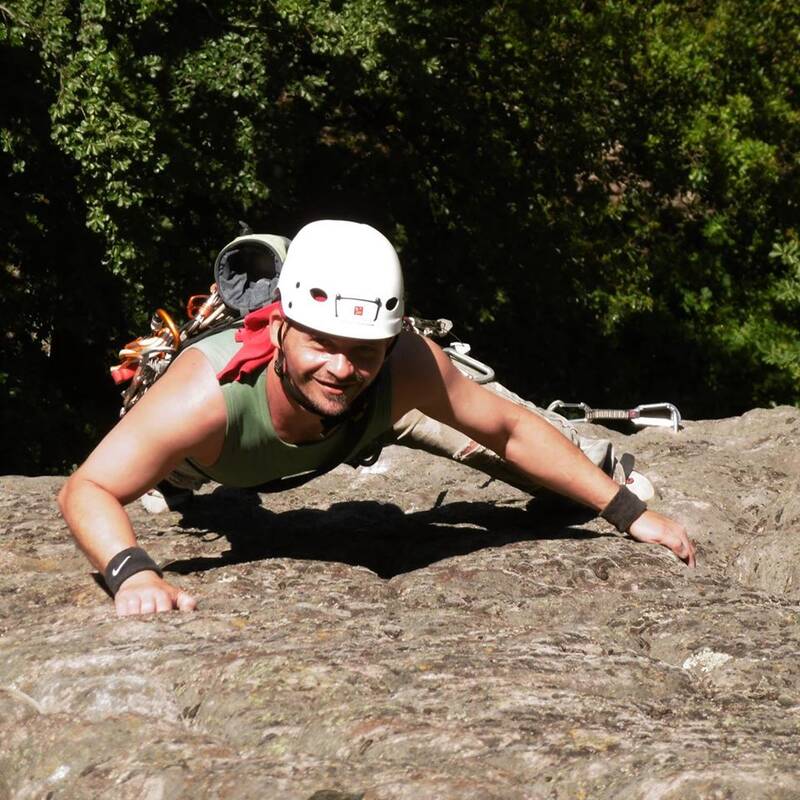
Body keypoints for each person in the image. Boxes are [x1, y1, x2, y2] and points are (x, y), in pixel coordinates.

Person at [58, 220, 695, 617]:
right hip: (213, 459)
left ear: (389, 342)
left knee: (490, 426)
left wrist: (626, 512)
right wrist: (132, 571)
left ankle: (595, 468)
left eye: (363, 349)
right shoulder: (206, 395)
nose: (341, 367)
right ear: (278, 328)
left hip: (369, 418)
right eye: (321, 344)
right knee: (168, 475)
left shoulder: (400, 363)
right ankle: (174, 487)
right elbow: (88, 488)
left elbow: (507, 429)